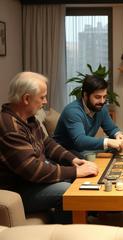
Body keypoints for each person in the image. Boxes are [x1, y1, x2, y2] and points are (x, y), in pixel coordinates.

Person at [0, 72, 99, 223]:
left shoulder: (28, 118)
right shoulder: (9, 127)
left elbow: (48, 144)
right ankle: (67, 233)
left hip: (31, 183)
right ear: (26, 98)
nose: (45, 101)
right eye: (42, 97)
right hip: (17, 191)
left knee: (80, 179)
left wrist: (73, 160)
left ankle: (83, 222)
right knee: (67, 191)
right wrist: (75, 171)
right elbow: (33, 170)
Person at [53, 74, 123, 158]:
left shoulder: (100, 108)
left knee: (116, 148)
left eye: (104, 97)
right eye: (97, 97)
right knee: (88, 157)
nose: (102, 101)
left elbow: (112, 129)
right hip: (65, 151)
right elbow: (80, 140)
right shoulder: (72, 111)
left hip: (84, 150)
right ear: (85, 95)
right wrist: (108, 141)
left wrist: (118, 135)